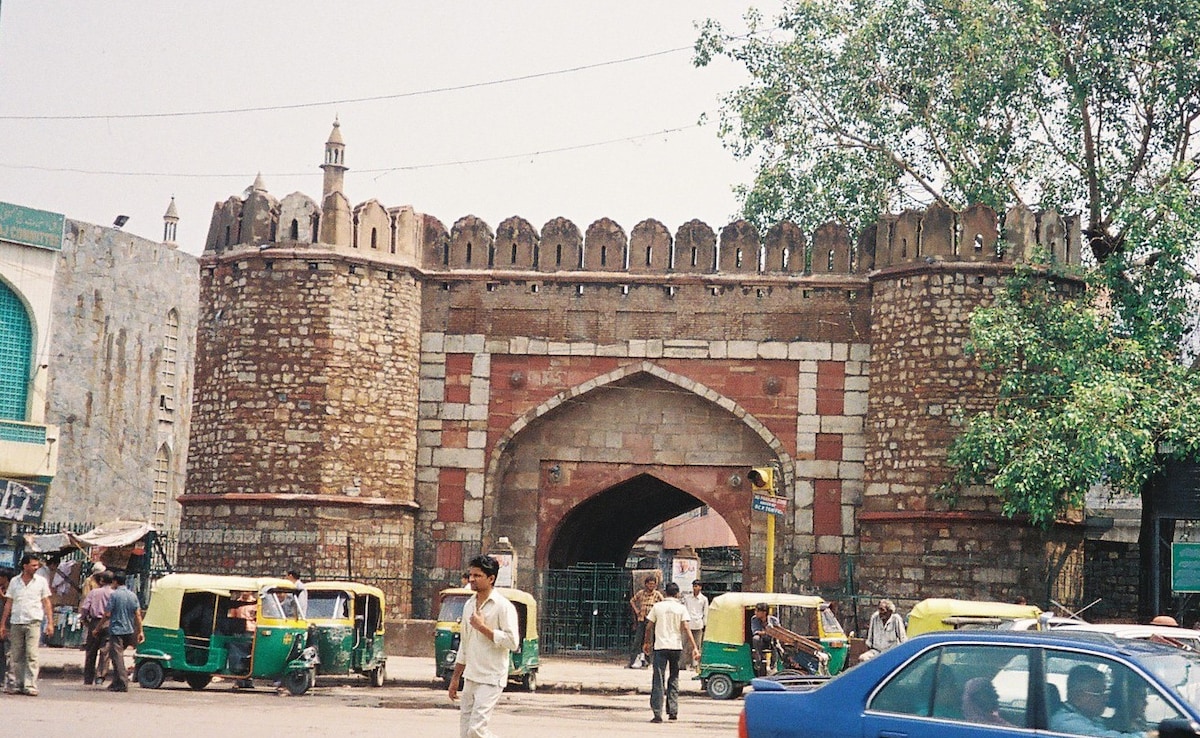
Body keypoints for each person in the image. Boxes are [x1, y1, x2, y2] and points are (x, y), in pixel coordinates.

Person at [448, 554, 520, 738]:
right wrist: (456, 677)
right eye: (471, 575)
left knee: (476, 730)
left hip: (491, 677)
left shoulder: (503, 607)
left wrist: (482, 628)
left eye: (477, 576)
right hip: (471, 676)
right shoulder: (469, 605)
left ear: (491, 578)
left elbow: (513, 642)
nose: (472, 579)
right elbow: (465, 643)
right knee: (465, 733)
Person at [642, 582, 699, 723]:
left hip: (660, 646)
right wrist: (695, 647)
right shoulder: (681, 608)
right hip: (676, 647)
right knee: (674, 678)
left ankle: (657, 713)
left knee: (658, 679)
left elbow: (649, 626)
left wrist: (647, 642)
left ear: (665, 592)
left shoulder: (657, 607)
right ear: (677, 593)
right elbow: (686, 627)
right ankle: (673, 711)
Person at [0, 554, 54, 695]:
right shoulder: (14, 582)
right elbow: (9, 603)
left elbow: (46, 602)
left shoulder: (41, 582)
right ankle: (17, 683)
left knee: (32, 654)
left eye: (37, 565)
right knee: (16, 655)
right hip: (16, 622)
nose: (36, 568)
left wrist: (50, 623)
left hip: (33, 621)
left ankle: (30, 685)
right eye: (33, 565)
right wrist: (3, 624)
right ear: (25, 566)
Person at [1050, 664, 1147, 737]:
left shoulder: (1089, 716)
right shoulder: (1066, 722)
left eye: (1105, 692)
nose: (1106, 698)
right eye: (1098, 693)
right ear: (1078, 696)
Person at [101, 572, 143, 692]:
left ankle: (122, 683)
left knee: (117, 658)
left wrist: (98, 628)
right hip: (129, 630)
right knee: (116, 657)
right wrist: (140, 631)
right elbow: (138, 615)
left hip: (117, 630)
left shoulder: (114, 596)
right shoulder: (132, 595)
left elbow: (107, 614)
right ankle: (115, 682)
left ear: (115, 582)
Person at [79, 570, 114, 685]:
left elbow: (85, 608)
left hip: (94, 623)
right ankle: (100, 676)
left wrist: (83, 619)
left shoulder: (94, 593)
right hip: (109, 623)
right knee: (105, 652)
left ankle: (88, 678)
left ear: (101, 580)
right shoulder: (114, 594)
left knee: (91, 651)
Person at [628, 575, 663, 668]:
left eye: (653, 584)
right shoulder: (641, 593)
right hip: (642, 619)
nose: (651, 586)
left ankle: (647, 661)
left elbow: (663, 604)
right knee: (637, 641)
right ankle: (632, 661)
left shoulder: (657, 594)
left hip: (652, 621)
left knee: (649, 641)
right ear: (646, 584)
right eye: (650, 584)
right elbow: (632, 601)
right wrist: (636, 611)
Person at [680, 580, 708, 670]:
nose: (695, 588)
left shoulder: (704, 599)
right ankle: (682, 664)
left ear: (700, 587)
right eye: (694, 586)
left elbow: (705, 612)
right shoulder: (687, 598)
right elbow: (684, 610)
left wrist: (704, 624)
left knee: (697, 645)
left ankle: (695, 664)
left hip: (698, 624)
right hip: (688, 623)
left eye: (697, 586)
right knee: (684, 644)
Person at [750, 603, 781, 676]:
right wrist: (767, 632)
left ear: (764, 612)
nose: (755, 613)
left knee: (775, 642)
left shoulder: (774, 620)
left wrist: (768, 632)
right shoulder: (754, 619)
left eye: (757, 611)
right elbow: (755, 631)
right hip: (761, 642)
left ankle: (773, 663)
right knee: (755, 638)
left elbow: (777, 632)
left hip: (771, 641)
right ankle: (759, 660)